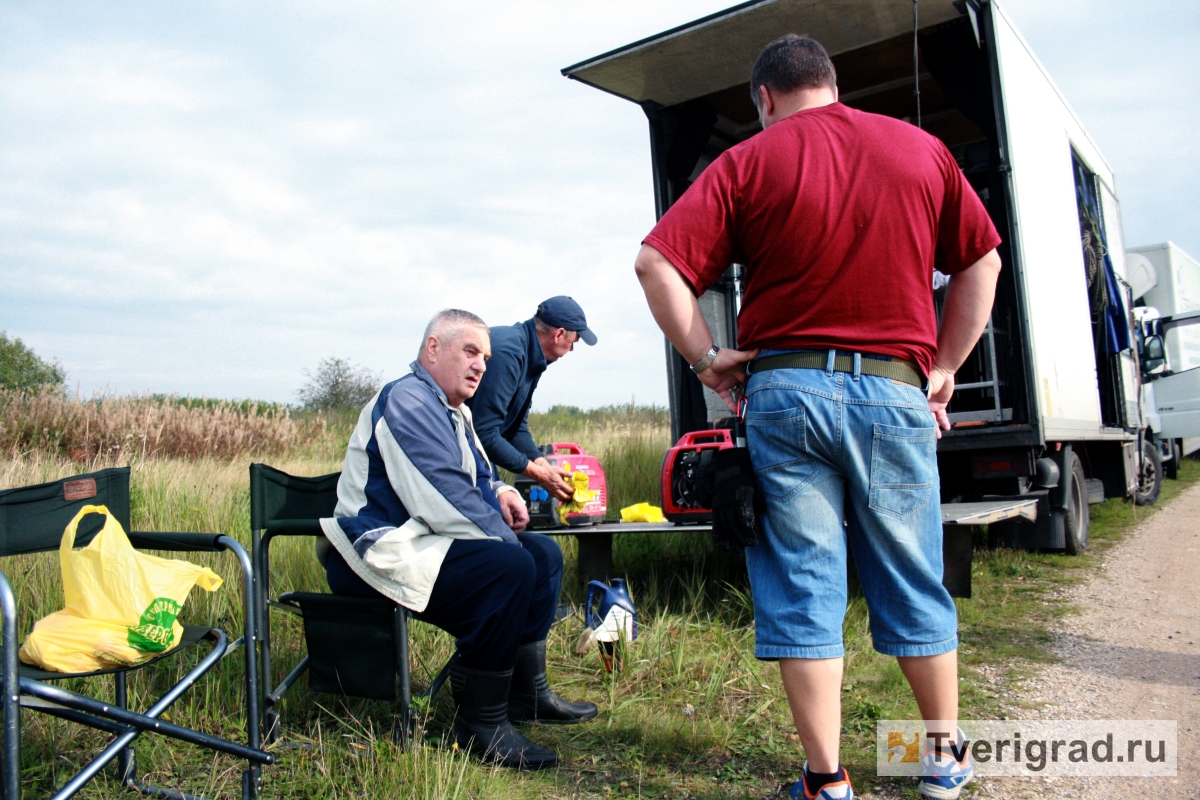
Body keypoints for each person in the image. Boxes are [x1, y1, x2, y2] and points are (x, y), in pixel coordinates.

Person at [634, 34, 1002, 800]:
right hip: (894, 390)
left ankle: (826, 781)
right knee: (910, 574)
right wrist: (941, 369)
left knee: (805, 585)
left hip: (787, 391)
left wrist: (707, 358)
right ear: (830, 85)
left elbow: (655, 264)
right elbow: (982, 259)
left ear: (763, 98)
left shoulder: (745, 163)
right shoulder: (920, 150)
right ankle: (942, 760)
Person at [317, 309, 598, 770]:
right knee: (511, 566)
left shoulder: (454, 410)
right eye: (469, 351)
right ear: (433, 349)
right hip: (373, 552)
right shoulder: (408, 400)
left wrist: (505, 492)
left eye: (484, 358)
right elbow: (444, 494)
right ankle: (480, 724)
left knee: (542, 555)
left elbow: (479, 477)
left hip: (425, 539)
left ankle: (525, 695)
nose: (480, 366)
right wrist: (502, 540)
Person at [466, 296, 597, 501]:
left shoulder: (531, 355)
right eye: (574, 342)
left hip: (474, 451)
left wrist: (541, 463)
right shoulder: (509, 354)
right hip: (449, 452)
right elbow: (484, 433)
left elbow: (516, 426)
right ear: (560, 334)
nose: (571, 349)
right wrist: (539, 474)